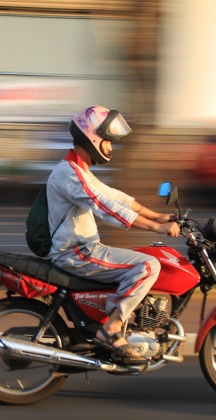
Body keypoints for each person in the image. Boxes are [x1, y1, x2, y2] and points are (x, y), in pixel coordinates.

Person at [46, 105, 180, 364]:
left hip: (83, 248)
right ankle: (112, 330)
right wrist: (156, 227)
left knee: (148, 259)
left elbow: (114, 196)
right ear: (92, 137)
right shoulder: (69, 174)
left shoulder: (78, 171)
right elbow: (104, 207)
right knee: (148, 265)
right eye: (107, 141)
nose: (110, 147)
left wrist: (158, 216)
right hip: (75, 253)